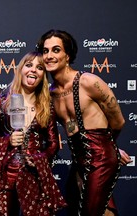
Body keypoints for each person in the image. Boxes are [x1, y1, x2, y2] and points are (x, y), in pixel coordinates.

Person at [36, 29, 132, 216]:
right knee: (96, 208)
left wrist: (110, 149)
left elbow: (118, 121)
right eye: (45, 51)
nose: (49, 56)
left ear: (67, 55)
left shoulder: (88, 82)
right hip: (78, 160)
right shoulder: (51, 93)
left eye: (56, 50)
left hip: (101, 158)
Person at [0, 51, 67, 215]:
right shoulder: (2, 102)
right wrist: (7, 140)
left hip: (35, 175)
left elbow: (53, 144)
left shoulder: (47, 106)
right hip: (6, 175)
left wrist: (38, 158)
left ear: (43, 75)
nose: (33, 70)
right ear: (20, 69)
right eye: (29, 65)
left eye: (40, 67)